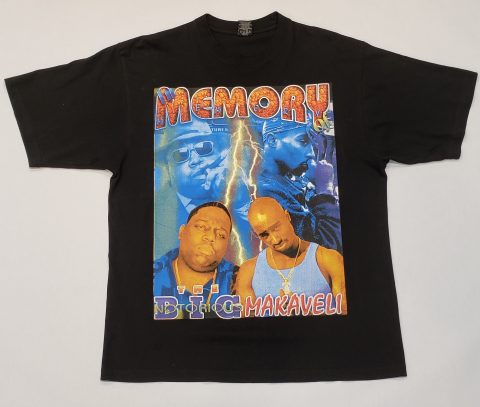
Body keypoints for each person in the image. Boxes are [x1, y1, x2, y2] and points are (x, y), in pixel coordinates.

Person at [234, 197, 347, 317]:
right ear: (256, 234)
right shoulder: (248, 272)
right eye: (264, 234)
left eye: (276, 228)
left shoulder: (329, 260)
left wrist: (307, 314)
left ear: (287, 216)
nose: (275, 240)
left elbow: (348, 319)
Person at [257, 113, 343, 253]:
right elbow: (326, 247)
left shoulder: (288, 181)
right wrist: (325, 190)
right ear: (272, 141)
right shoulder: (269, 193)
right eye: (303, 141)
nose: (311, 153)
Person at [153, 201, 237, 319]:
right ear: (182, 232)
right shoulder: (152, 275)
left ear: (226, 246)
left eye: (221, 235)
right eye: (201, 227)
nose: (211, 237)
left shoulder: (240, 279)